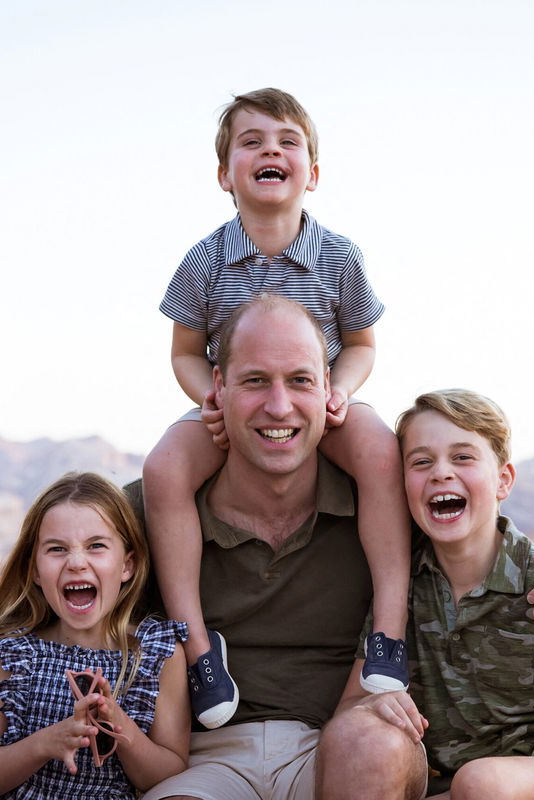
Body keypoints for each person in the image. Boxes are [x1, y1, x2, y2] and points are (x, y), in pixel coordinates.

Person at [0, 295, 534, 800]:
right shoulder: (153, 517)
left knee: (371, 741)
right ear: (217, 390)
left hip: (341, 750)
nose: (278, 406)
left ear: (330, 395)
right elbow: (36, 639)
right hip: (203, 761)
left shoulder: (383, 509)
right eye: (255, 380)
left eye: (300, 382)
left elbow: (476, 533)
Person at [142, 87, 413, 728]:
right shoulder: (206, 259)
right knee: (163, 470)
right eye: (253, 142)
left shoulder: (339, 255)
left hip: (319, 404)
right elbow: (183, 351)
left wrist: (339, 389)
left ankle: (390, 631)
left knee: (379, 449)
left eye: (288, 141)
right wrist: (205, 395)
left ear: (312, 174)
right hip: (235, 407)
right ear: (224, 173)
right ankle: (198, 649)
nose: (272, 150)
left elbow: (362, 343)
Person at [336, 390, 534, 800]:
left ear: (503, 480)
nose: (441, 473)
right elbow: (349, 709)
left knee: (482, 781)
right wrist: (371, 707)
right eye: (421, 461)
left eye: (463, 457)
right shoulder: (402, 586)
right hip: (464, 787)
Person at [0, 472, 190, 800]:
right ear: (34, 570)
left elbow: (166, 774)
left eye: (96, 546)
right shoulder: (14, 654)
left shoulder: (156, 654)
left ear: (127, 566)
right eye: (57, 549)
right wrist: (44, 744)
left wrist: (118, 725)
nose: (77, 562)